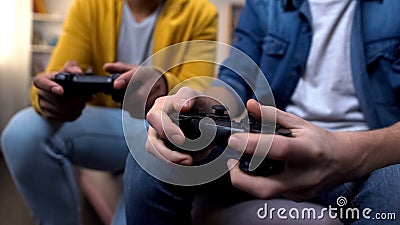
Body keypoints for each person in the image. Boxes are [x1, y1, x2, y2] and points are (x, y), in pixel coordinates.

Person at [124, 0, 400, 224]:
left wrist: (350, 152)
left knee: (395, 187)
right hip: (263, 144)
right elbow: (233, 80)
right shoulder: (263, 5)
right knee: (155, 149)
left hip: (365, 157)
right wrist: (202, 105)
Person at [0, 0, 217, 224]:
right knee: (21, 133)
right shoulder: (90, 6)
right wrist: (48, 98)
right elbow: (51, 78)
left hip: (156, 125)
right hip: (111, 127)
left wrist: (164, 85)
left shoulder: (200, 12)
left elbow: (197, 94)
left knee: (164, 137)